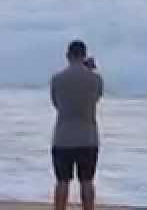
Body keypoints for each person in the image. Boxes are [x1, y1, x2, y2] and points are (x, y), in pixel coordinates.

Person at [50, 40, 103, 210]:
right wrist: (89, 70)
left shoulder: (57, 79)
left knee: (62, 181)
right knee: (87, 181)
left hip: (63, 137)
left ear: (68, 56)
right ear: (84, 55)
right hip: (87, 137)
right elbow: (95, 98)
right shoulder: (95, 79)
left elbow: (57, 104)